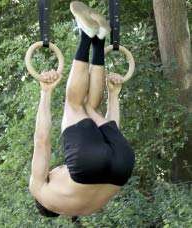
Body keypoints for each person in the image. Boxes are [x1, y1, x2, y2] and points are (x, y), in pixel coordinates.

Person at [29, 1, 135, 217]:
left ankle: (99, 39)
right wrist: (45, 92)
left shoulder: (87, 209)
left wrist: (114, 96)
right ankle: (86, 35)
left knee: (89, 108)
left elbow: (109, 138)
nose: (54, 169)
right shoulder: (40, 191)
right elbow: (42, 142)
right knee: (74, 104)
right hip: (89, 164)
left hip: (122, 165)